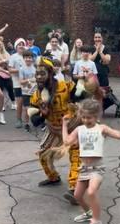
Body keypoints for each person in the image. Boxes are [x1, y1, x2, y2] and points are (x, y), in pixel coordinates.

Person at [62, 99, 120, 224]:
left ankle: (96, 221)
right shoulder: (79, 129)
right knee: (78, 196)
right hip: (84, 168)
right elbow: (67, 141)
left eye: (89, 117)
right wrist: (64, 125)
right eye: (84, 117)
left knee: (91, 192)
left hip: (97, 168)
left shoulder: (101, 128)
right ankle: (88, 213)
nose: (86, 120)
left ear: (96, 116)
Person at [29, 56, 81, 204]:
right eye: (37, 74)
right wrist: (42, 114)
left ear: (50, 74)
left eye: (42, 73)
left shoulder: (65, 85)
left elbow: (80, 95)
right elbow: (34, 120)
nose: (39, 77)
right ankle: (53, 177)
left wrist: (83, 84)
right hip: (53, 128)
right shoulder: (36, 95)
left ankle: (75, 189)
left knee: (75, 155)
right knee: (44, 154)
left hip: (72, 125)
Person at [0, 38, 16, 110]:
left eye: (0, 44)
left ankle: (13, 103)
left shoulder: (6, 53)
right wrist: (4, 61)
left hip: (7, 73)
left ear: (2, 45)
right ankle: (1, 105)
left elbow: (10, 62)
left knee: (10, 88)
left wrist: (3, 62)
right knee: (0, 90)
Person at [8, 38, 26, 128]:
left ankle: (27, 121)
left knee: (28, 103)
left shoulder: (27, 55)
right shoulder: (13, 57)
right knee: (19, 102)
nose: (21, 46)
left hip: (27, 83)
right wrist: (19, 70)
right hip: (17, 82)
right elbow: (10, 69)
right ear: (16, 46)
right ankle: (19, 119)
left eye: (23, 44)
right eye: (19, 45)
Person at [19, 49, 36, 131]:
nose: (28, 59)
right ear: (23, 58)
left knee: (35, 108)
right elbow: (21, 81)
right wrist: (29, 80)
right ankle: (27, 124)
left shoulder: (35, 68)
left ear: (32, 58)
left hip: (34, 92)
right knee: (26, 109)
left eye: (30, 57)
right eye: (26, 57)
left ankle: (37, 122)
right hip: (25, 92)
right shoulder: (22, 69)